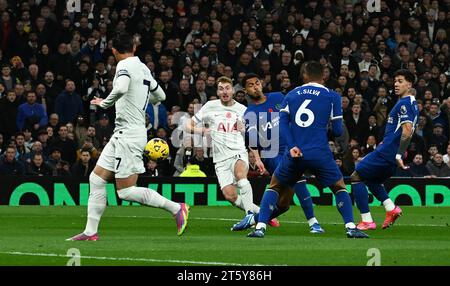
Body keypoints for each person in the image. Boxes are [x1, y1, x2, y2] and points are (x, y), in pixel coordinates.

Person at [68, 33, 189, 241]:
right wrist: (140, 99)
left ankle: (176, 208)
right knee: (96, 179)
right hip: (123, 133)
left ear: (114, 51)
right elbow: (161, 96)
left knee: (125, 191)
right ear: (133, 47)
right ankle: (90, 231)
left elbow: (122, 87)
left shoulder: (123, 66)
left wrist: (105, 103)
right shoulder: (143, 67)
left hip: (130, 135)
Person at [240, 61, 368, 238]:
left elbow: (283, 122)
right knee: (339, 188)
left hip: (293, 151)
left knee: (274, 187)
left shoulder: (290, 95)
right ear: (324, 76)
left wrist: (292, 146)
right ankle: (350, 227)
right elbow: (338, 131)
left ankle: (260, 227)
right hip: (318, 151)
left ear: (305, 75)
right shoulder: (332, 96)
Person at [239, 73, 324, 234]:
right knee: (298, 179)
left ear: (261, 84)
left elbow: (295, 113)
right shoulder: (249, 113)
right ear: (245, 90)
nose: (255, 86)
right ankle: (313, 223)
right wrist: (257, 160)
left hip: (291, 147)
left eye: (257, 83)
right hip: (272, 154)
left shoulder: (278, 97)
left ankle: (255, 219)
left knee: (284, 203)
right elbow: (252, 140)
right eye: (251, 85)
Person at [186, 76, 278, 227]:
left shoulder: (243, 110)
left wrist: (257, 158)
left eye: (227, 88)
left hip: (238, 152)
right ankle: (263, 213)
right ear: (217, 91)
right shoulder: (210, 106)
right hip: (220, 159)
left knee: (241, 177)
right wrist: (202, 129)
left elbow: (253, 136)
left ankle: (249, 216)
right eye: (221, 89)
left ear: (233, 91)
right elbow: (188, 125)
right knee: (230, 195)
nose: (224, 92)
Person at [351, 69, 419, 231]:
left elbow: (407, 130)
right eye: (395, 80)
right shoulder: (411, 103)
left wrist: (398, 153)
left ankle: (367, 220)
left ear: (409, 84)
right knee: (372, 180)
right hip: (388, 150)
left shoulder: (404, 104)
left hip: (388, 153)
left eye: (401, 81)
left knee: (356, 176)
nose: (396, 84)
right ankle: (391, 208)